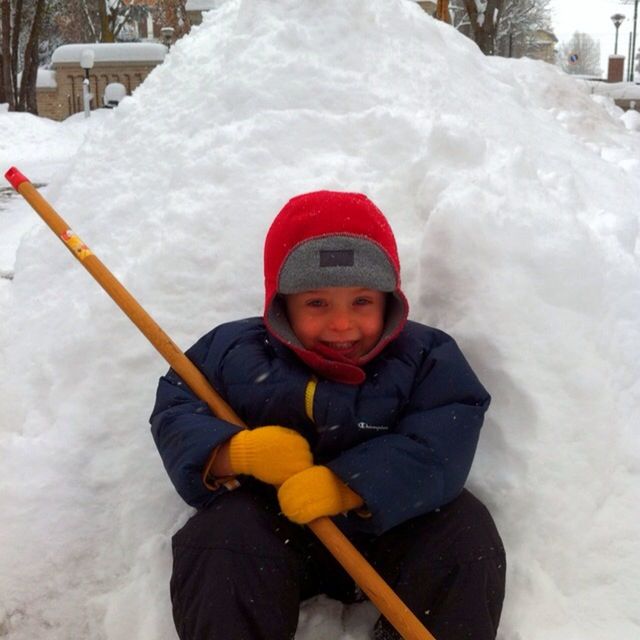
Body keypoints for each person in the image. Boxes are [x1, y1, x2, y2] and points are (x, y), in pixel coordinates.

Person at [150, 191, 506, 640]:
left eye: (361, 302)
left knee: (466, 537)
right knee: (219, 540)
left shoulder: (425, 356)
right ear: (282, 304)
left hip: (391, 528)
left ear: (388, 300)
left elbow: (441, 442)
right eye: (317, 304)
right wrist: (234, 451)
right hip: (277, 531)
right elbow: (178, 406)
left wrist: (351, 485)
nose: (342, 325)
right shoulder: (234, 351)